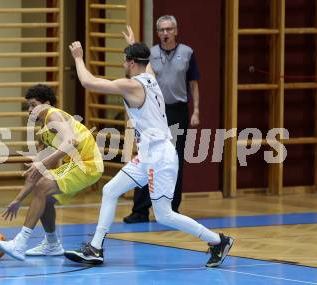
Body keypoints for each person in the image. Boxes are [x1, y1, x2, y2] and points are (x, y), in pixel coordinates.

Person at [64, 41, 233, 268]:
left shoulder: (131, 85)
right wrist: (133, 44)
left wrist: (78, 57)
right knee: (110, 190)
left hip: (160, 156)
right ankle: (95, 248)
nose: (123, 64)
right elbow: (147, 65)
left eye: (125, 60)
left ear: (132, 63)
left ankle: (218, 241)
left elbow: (88, 82)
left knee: (164, 215)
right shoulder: (151, 76)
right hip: (147, 154)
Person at [0, 84, 103, 261]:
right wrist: (18, 200)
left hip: (88, 163)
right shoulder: (43, 134)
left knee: (43, 187)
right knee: (44, 193)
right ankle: (52, 244)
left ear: (46, 104)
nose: (29, 110)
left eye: (33, 104)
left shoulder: (53, 115)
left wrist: (44, 162)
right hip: (75, 164)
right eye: (28, 106)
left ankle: (20, 243)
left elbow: (71, 141)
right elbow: (35, 173)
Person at [122, 16, 201, 223]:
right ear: (158, 32)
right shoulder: (151, 54)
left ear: (176, 30)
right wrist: (132, 44)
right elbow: (139, 61)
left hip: (177, 110)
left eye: (169, 29)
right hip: (154, 112)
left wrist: (196, 110)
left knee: (174, 159)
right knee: (146, 158)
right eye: (161, 30)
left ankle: (171, 209)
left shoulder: (187, 52)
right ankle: (140, 210)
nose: (165, 33)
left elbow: (193, 84)